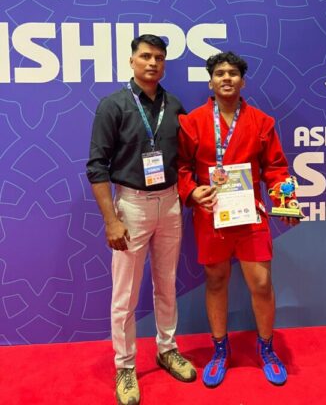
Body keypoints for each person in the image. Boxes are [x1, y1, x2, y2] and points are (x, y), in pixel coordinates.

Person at [86, 34, 196, 405]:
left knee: (166, 285)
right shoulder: (113, 105)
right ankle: (125, 366)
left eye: (159, 58)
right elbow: (96, 167)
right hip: (131, 206)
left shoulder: (174, 105)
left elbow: (185, 159)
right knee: (125, 295)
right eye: (146, 56)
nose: (152, 63)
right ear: (132, 61)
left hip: (170, 204)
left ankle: (167, 349)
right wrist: (111, 220)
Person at [177, 51, 297, 388]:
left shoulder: (262, 121)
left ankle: (267, 349)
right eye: (220, 73)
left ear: (242, 82)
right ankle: (220, 350)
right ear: (211, 82)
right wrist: (192, 191)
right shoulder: (192, 122)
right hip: (211, 213)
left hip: (249, 214)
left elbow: (276, 168)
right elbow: (181, 167)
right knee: (216, 280)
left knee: (261, 283)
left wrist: (285, 203)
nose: (226, 78)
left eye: (233, 73)